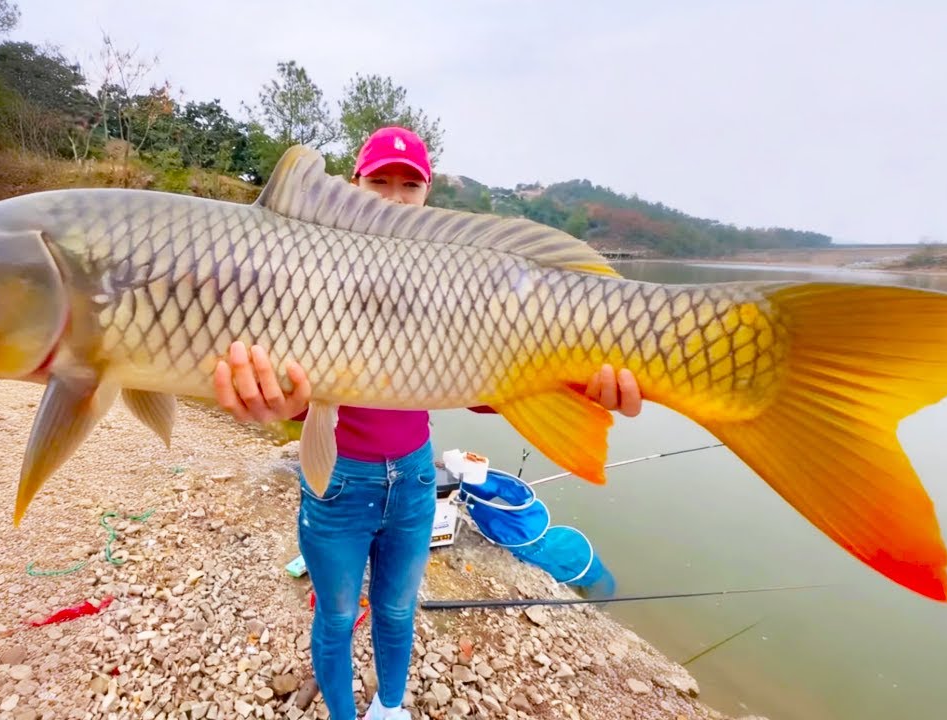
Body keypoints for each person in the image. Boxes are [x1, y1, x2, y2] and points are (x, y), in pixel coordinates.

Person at [211, 127, 643, 720]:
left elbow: (483, 389)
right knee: (335, 614)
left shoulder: (450, 277)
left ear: (426, 194)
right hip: (337, 481)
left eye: (408, 184)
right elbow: (295, 401)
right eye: (378, 182)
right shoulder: (305, 271)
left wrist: (574, 384)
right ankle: (342, 713)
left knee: (395, 610)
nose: (392, 196)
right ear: (354, 185)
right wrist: (280, 410)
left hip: (414, 479)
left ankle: (390, 708)